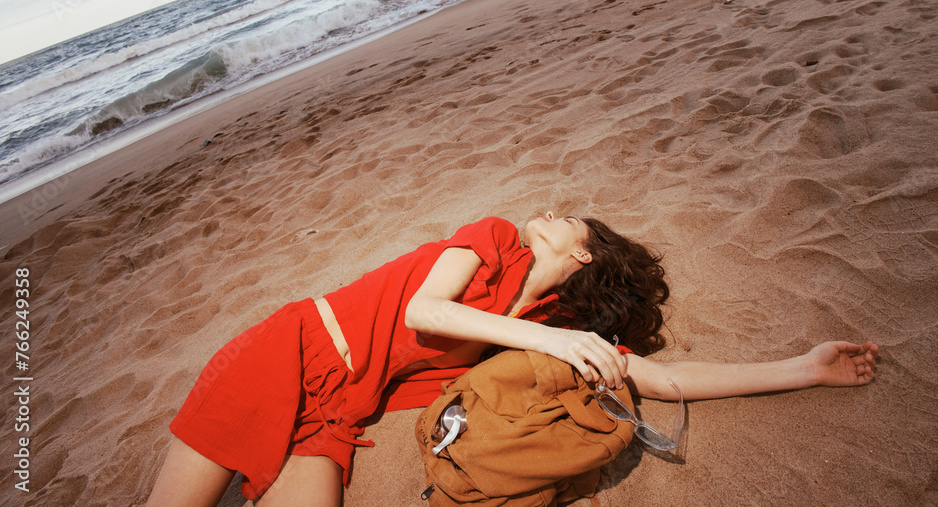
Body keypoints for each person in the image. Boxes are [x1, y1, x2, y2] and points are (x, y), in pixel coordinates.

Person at [146, 213, 878, 507]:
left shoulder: (543, 322)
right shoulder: (493, 239)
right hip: (288, 354)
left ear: (583, 251)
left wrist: (804, 366)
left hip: (331, 420)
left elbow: (666, 378)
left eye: (569, 216)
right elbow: (424, 311)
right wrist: (551, 340)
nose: (550, 212)